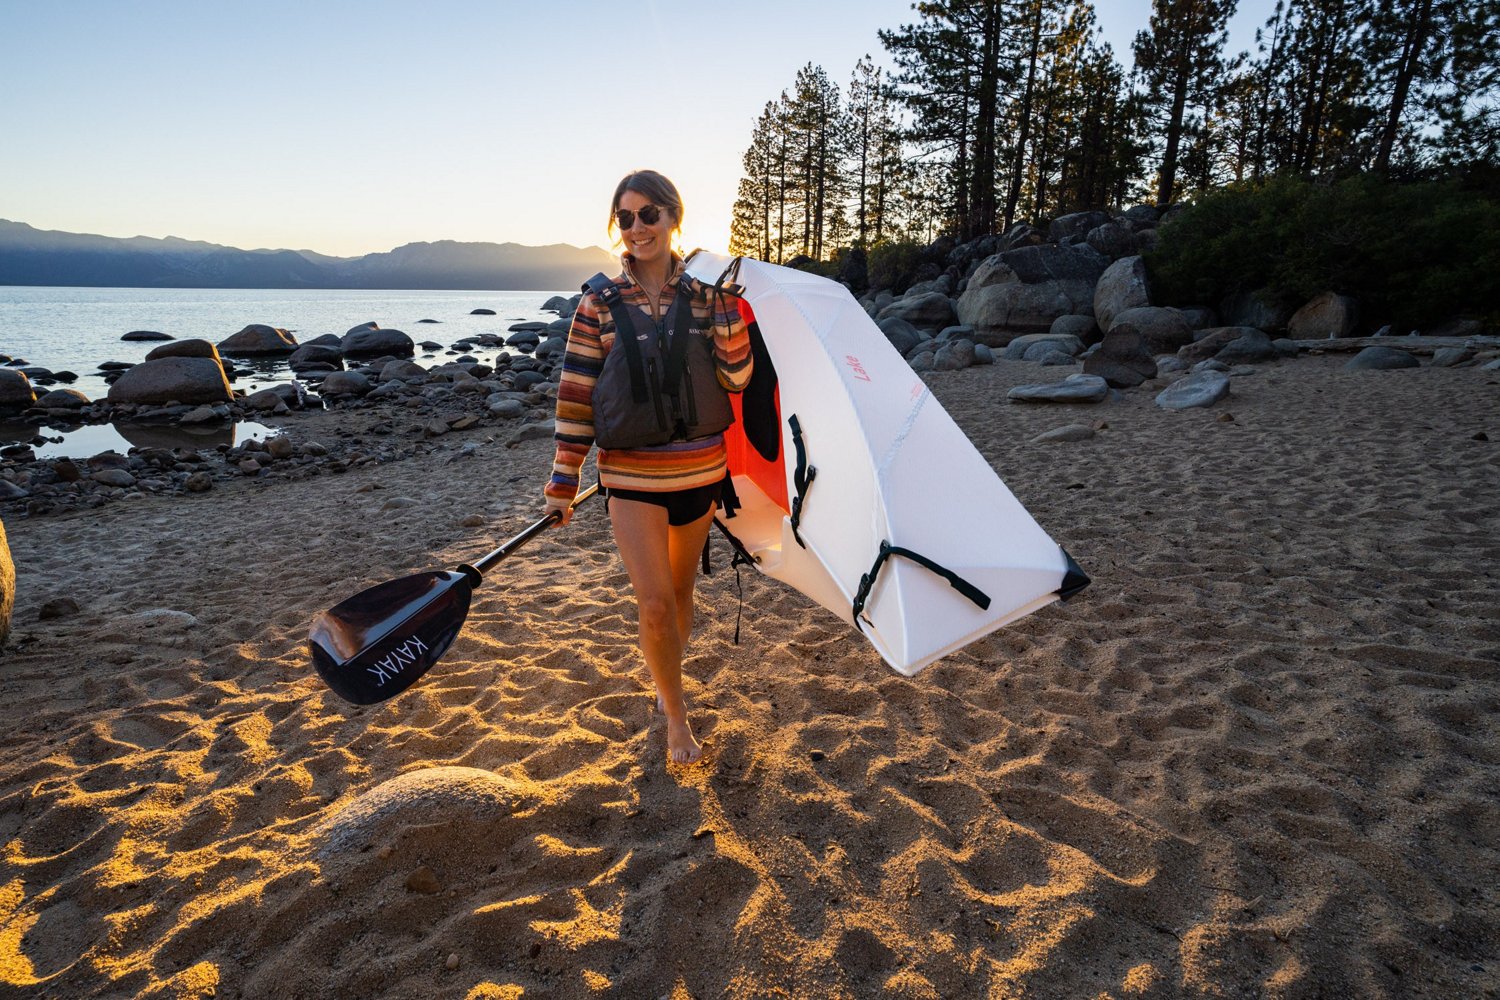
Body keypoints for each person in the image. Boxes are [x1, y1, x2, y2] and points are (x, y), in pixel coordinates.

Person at [543, 170, 752, 765]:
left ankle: (665, 681)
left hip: (699, 472)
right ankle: (676, 715)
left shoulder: (708, 296)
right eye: (626, 218)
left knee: (682, 594)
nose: (638, 228)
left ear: (673, 218)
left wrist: (730, 317)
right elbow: (577, 395)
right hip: (631, 477)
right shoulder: (597, 303)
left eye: (650, 215)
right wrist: (564, 482)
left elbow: (737, 379)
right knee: (655, 604)